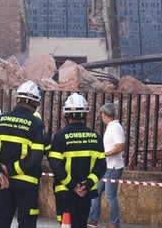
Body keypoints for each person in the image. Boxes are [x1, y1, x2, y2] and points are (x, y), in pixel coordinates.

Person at [0, 81, 50, 228]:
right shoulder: (36, 124)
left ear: (18, 99)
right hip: (27, 185)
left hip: (2, 183)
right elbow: (36, 157)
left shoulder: (0, 120)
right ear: (35, 103)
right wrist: (11, 169)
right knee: (27, 223)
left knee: (2, 221)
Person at [48, 93, 106, 228]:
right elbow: (101, 166)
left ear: (66, 115)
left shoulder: (60, 136)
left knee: (67, 225)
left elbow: (56, 166)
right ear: (85, 114)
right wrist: (87, 184)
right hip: (85, 193)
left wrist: (73, 185)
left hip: (65, 192)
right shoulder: (95, 137)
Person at [88, 103, 125, 228]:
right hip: (107, 166)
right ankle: (93, 219)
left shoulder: (115, 128)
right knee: (96, 192)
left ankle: (114, 222)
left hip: (113, 167)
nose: (101, 116)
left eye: (102, 114)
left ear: (105, 114)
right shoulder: (111, 127)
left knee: (110, 195)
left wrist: (104, 155)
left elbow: (120, 147)